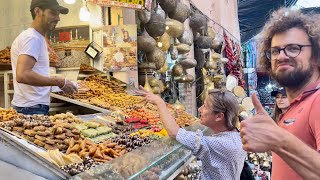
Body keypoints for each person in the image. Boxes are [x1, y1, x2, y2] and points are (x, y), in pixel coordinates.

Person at [240, 8, 320, 180]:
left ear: (316, 56)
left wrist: (278, 139)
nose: (281, 56)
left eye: (293, 48)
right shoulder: (293, 107)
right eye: (275, 51)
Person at [137, 86, 246, 180]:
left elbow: (174, 133)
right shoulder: (235, 135)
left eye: (205, 106)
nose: (200, 109)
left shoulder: (221, 144)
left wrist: (159, 102)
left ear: (219, 116)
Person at [10, 0, 77, 115]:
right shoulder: (32, 38)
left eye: (58, 14)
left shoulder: (36, 37)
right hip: (31, 108)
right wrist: (59, 82)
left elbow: (32, 72)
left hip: (30, 106)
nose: (58, 18)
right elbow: (22, 75)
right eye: (53, 13)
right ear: (38, 11)